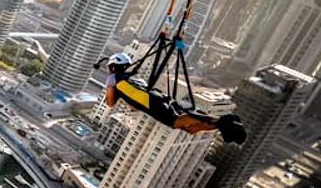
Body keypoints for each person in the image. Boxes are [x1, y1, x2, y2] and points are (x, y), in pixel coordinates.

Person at [103, 53, 246, 144]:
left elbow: (109, 102)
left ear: (114, 67)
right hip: (158, 98)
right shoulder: (132, 77)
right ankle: (222, 124)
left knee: (177, 121)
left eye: (110, 67)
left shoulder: (113, 78)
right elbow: (134, 103)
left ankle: (224, 121)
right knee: (191, 128)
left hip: (152, 102)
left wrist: (111, 94)